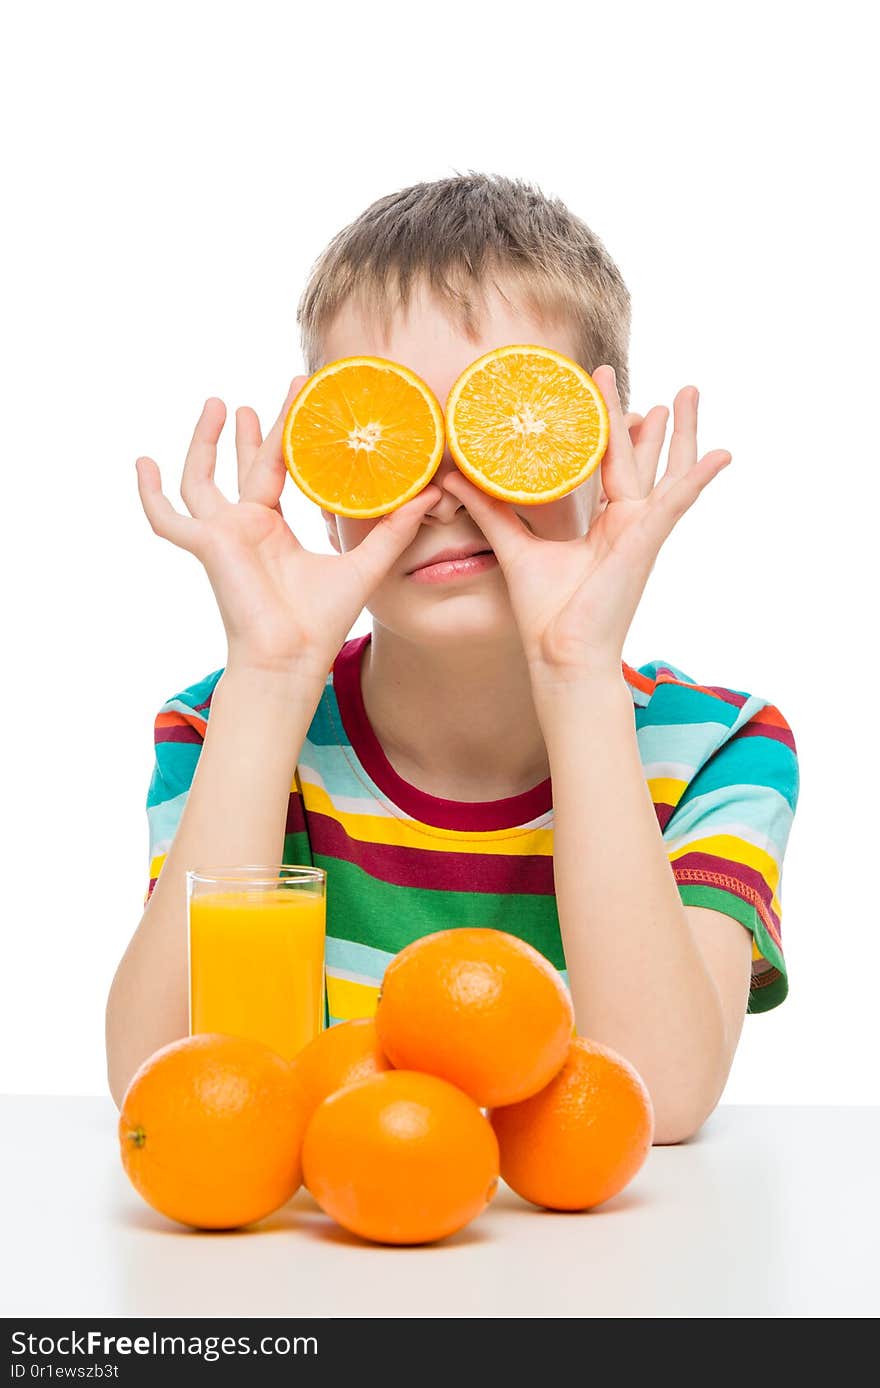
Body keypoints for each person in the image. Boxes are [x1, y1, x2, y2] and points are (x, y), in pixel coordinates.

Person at [105, 173, 799, 1142]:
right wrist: (269, 677)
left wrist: (576, 669)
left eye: (504, 426)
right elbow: (167, 1094)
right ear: (318, 463)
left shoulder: (717, 747)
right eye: (387, 433)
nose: (443, 493)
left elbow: (657, 1097)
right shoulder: (226, 729)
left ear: (611, 456)